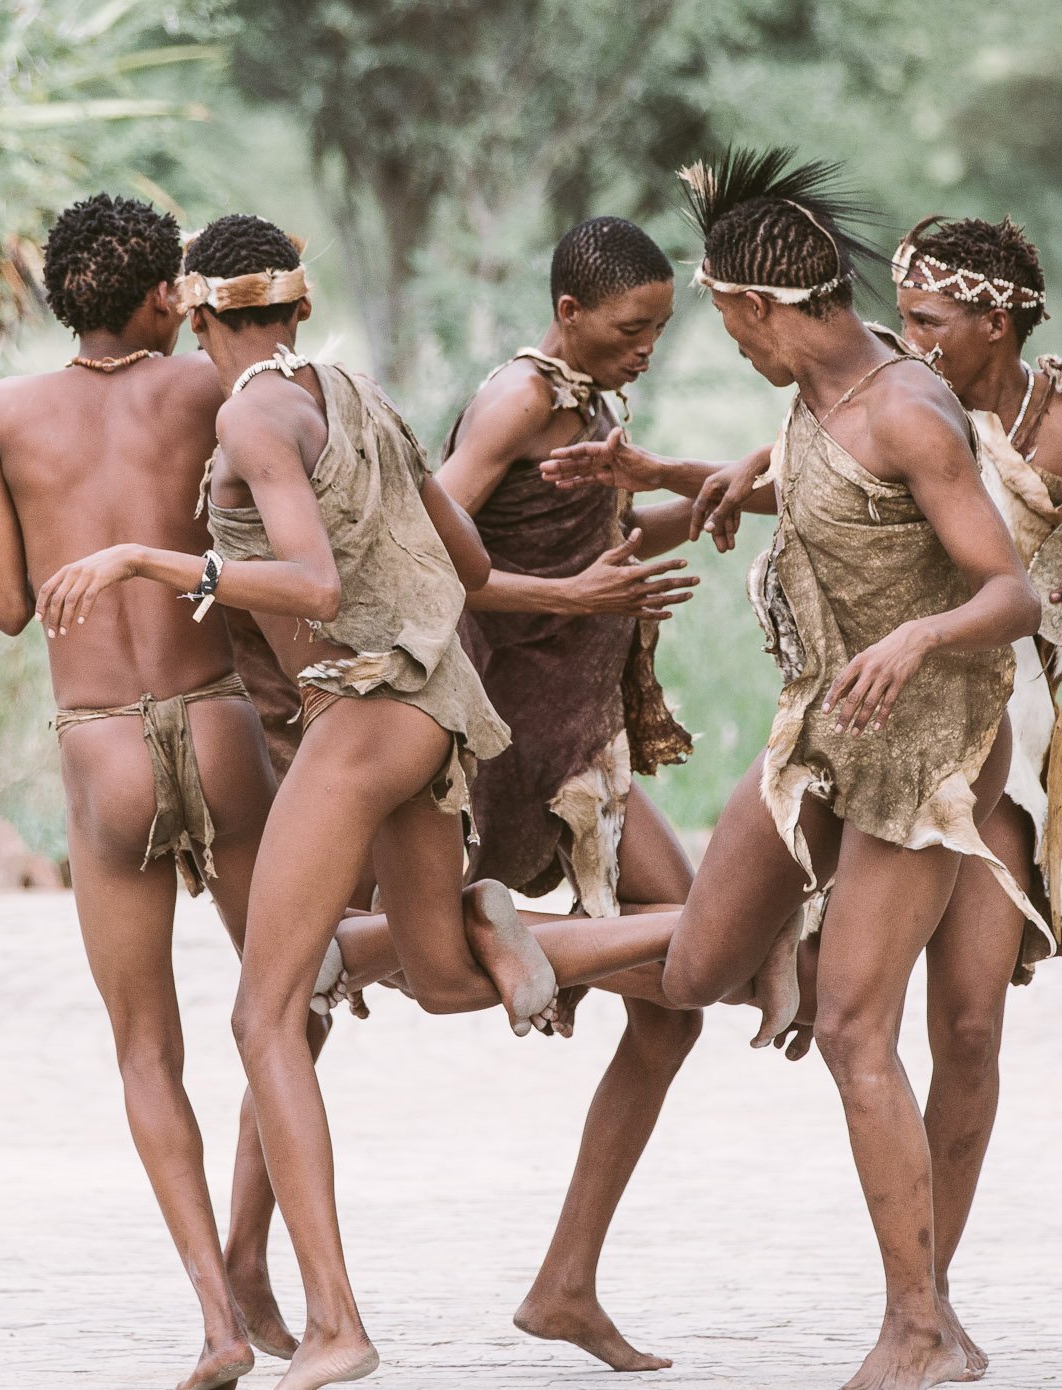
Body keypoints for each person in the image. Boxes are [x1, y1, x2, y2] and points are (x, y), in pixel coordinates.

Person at [34, 213, 691, 1389]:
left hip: (366, 717)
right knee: (438, 974)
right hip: (438, 709)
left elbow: (318, 580)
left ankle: (335, 1322)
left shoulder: (245, 413)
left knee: (263, 1012)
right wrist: (580, 599)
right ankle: (717, 935)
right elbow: (468, 566)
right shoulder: (354, 389)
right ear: (291, 305)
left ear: (195, 311)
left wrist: (150, 561)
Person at [543, 148, 1045, 1390]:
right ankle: (473, 943)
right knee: (699, 964)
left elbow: (1013, 591)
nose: (731, 347)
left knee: (857, 1029)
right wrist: (665, 482)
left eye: (725, 323)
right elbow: (833, 500)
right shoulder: (820, 399)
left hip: (927, 752)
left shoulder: (906, 406)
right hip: (819, 731)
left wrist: (920, 633)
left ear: (766, 307)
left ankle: (919, 1327)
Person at [433, 214, 790, 1371]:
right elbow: (430, 540)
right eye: (630, 329)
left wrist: (697, 508)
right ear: (571, 313)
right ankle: (495, 938)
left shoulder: (593, 402)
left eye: (658, 329)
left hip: (588, 738)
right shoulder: (519, 400)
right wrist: (574, 601)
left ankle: (564, 1284)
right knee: (700, 951)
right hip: (515, 735)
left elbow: (593, 530)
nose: (645, 347)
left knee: (686, 988)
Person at [0, 193, 287, 1390]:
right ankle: (261, 1256)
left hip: (102, 749)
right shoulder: (210, 393)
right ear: (170, 296)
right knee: (288, 1004)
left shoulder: (4, 415)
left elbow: (10, 608)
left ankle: (218, 1315)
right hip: (217, 725)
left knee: (146, 1052)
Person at [891, 214, 1062, 1375]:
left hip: (1010, 744)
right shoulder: (890, 403)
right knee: (845, 1015)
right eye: (905, 316)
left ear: (996, 322)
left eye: (929, 319)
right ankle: (911, 1289)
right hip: (888, 739)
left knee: (974, 1026)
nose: (908, 336)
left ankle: (930, 1297)